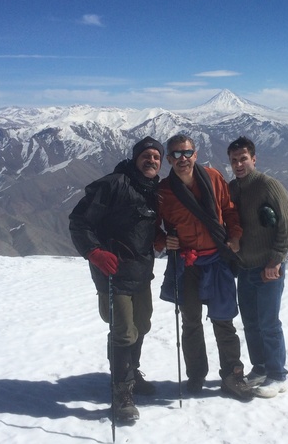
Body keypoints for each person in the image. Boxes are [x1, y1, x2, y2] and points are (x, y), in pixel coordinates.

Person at [68, 136, 164, 422]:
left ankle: (131, 373)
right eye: (146, 156)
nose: (152, 160)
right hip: (113, 272)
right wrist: (93, 252)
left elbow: (144, 225)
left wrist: (156, 235)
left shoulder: (152, 190)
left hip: (141, 271)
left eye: (156, 157)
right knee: (124, 332)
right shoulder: (114, 185)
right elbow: (79, 221)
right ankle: (121, 392)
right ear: (135, 158)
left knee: (142, 324)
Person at [156, 133, 253, 401]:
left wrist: (234, 236)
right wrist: (165, 240)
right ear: (168, 159)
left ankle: (232, 374)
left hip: (217, 261)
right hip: (186, 264)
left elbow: (230, 210)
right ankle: (196, 374)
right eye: (176, 154)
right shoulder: (164, 192)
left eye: (187, 153)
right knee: (191, 322)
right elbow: (153, 228)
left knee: (224, 321)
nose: (182, 159)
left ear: (195, 154)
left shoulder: (212, 178)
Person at [227, 136, 288, 398]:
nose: (238, 164)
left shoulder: (268, 186)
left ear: (253, 159)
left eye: (243, 159)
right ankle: (259, 369)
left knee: (268, 323)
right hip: (246, 267)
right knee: (251, 323)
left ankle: (278, 375)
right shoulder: (233, 189)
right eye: (234, 160)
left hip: (268, 268)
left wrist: (276, 260)